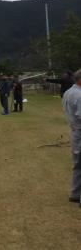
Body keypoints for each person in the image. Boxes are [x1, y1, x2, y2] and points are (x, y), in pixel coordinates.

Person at [61, 69, 81, 206]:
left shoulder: (68, 92)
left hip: (75, 130)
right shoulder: (79, 95)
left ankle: (75, 193)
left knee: (78, 164)